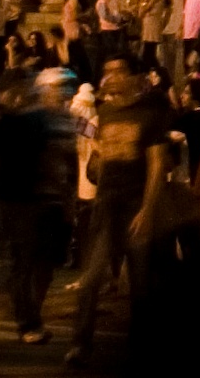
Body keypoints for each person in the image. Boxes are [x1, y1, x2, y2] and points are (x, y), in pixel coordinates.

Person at [68, 52, 169, 366]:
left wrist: (148, 209)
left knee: (139, 282)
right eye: (106, 71)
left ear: (132, 76)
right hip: (106, 205)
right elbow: (98, 138)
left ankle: (138, 345)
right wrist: (82, 129)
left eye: (117, 70)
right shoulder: (106, 111)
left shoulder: (150, 113)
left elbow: (156, 164)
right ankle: (81, 343)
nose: (111, 76)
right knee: (92, 276)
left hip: (135, 204)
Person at [0, 66, 75, 343]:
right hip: (22, 199)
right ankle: (28, 320)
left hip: (36, 199)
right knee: (21, 263)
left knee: (36, 263)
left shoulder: (50, 119)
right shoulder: (18, 120)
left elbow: (60, 155)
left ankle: (29, 316)